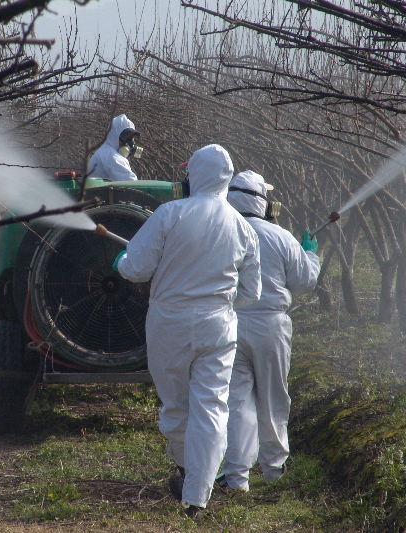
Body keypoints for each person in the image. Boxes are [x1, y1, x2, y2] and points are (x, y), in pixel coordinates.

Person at [112, 145, 261, 516]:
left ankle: (185, 469)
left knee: (176, 405)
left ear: (192, 175)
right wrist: (220, 303)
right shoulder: (243, 227)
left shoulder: (170, 214)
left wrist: (122, 262)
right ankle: (197, 495)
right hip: (219, 324)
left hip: (170, 323)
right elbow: (251, 293)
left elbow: (136, 269)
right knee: (212, 407)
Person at [216, 170, 320, 492]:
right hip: (271, 327)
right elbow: (304, 282)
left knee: (236, 402)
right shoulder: (280, 236)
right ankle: (274, 471)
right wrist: (311, 254)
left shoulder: (221, 232)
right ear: (262, 202)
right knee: (273, 398)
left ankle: (237, 477)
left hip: (229, 324)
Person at [86, 114, 140, 181]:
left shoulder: (106, 150)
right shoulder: (112, 156)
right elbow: (132, 183)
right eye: (127, 138)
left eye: (132, 138)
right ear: (114, 136)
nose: (131, 143)